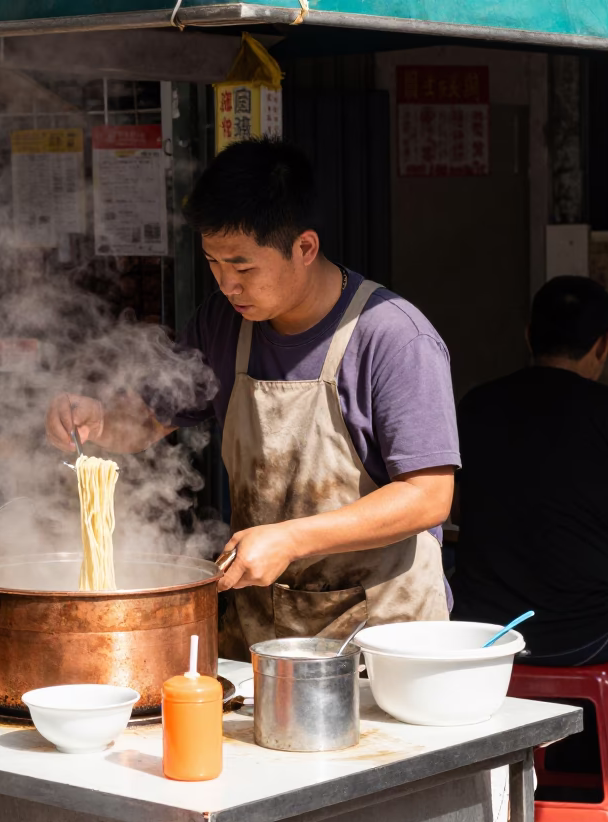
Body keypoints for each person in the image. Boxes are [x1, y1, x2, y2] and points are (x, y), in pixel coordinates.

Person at [46, 138, 460, 657]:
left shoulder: (392, 337)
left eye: (243, 268)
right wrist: (99, 421)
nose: (226, 285)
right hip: (263, 636)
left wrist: (290, 538)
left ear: (304, 248)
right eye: (214, 264)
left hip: (384, 640)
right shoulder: (222, 325)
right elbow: (149, 421)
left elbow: (428, 495)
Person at [453, 276, 608, 803]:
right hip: (583, 629)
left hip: (484, 631)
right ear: (604, 344)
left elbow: (456, 510)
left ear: (529, 337)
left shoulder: (475, 404)